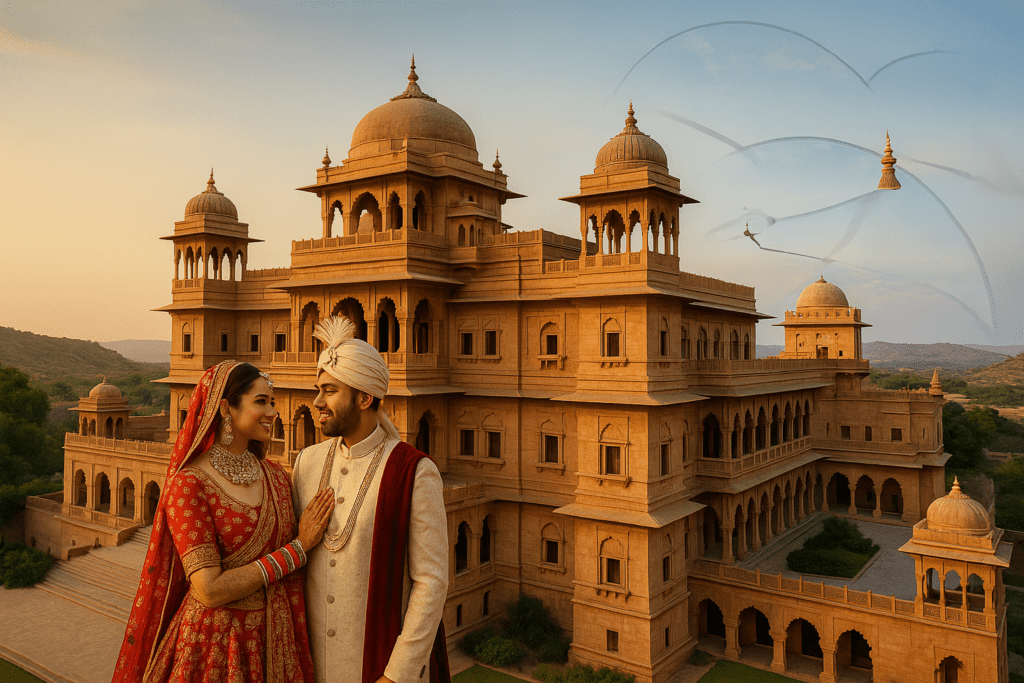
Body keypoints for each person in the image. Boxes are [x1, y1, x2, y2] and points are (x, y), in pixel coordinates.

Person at [113, 361, 336, 682]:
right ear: (225, 408)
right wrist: (298, 549)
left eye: (272, 402)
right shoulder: (190, 484)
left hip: (278, 640)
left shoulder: (275, 476)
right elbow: (209, 590)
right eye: (261, 401)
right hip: (216, 647)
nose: (273, 411)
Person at [291, 316, 450, 683]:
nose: (317, 401)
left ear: (364, 398)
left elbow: (431, 582)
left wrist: (397, 676)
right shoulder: (307, 464)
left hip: (381, 668)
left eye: (329, 391)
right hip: (312, 666)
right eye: (319, 389)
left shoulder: (413, 472)